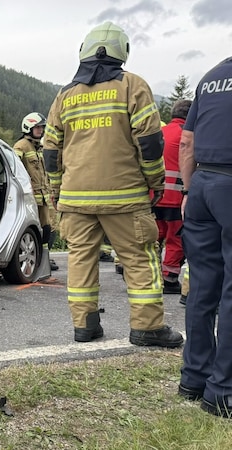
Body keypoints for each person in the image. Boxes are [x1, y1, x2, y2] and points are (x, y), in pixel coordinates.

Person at [42, 21, 183, 347]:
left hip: (75, 199)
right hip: (126, 198)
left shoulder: (65, 95)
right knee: (139, 257)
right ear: (123, 52)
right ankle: (147, 327)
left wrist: (55, 188)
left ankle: (85, 326)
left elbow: (51, 150)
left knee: (80, 259)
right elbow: (149, 143)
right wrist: (156, 181)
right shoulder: (133, 86)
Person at [177, 56, 232, 417]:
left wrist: (187, 190)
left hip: (201, 185)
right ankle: (223, 391)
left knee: (202, 287)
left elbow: (187, 142)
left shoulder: (212, 77)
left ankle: (193, 378)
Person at [13, 112, 59, 271]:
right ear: (28, 128)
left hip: (45, 198)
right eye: (37, 127)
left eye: (42, 127)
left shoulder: (39, 147)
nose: (41, 130)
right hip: (31, 199)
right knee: (34, 230)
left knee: (49, 229)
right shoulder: (21, 146)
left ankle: (45, 258)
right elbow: (15, 171)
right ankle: (38, 258)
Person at [156, 99, 192, 294]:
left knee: (155, 236)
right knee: (175, 239)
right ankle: (169, 279)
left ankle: (151, 275)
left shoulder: (160, 132)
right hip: (176, 198)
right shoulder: (187, 134)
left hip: (155, 195)